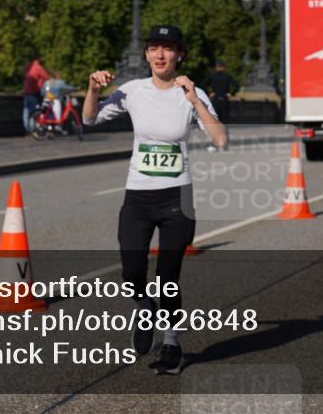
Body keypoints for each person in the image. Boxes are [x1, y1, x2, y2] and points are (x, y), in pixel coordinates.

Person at [83, 25, 226, 375]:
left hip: (178, 197)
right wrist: (91, 88)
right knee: (131, 271)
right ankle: (144, 305)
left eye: (168, 48)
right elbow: (89, 118)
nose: (160, 55)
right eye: (154, 48)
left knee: (168, 276)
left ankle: (172, 343)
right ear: (146, 54)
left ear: (180, 54)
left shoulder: (192, 92)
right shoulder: (132, 91)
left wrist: (194, 101)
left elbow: (220, 138)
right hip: (138, 196)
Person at [22, 56, 53, 134]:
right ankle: (33, 130)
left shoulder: (28, 67)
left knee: (26, 111)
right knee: (35, 112)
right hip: (34, 93)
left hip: (26, 93)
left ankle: (27, 129)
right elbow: (47, 77)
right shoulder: (38, 67)